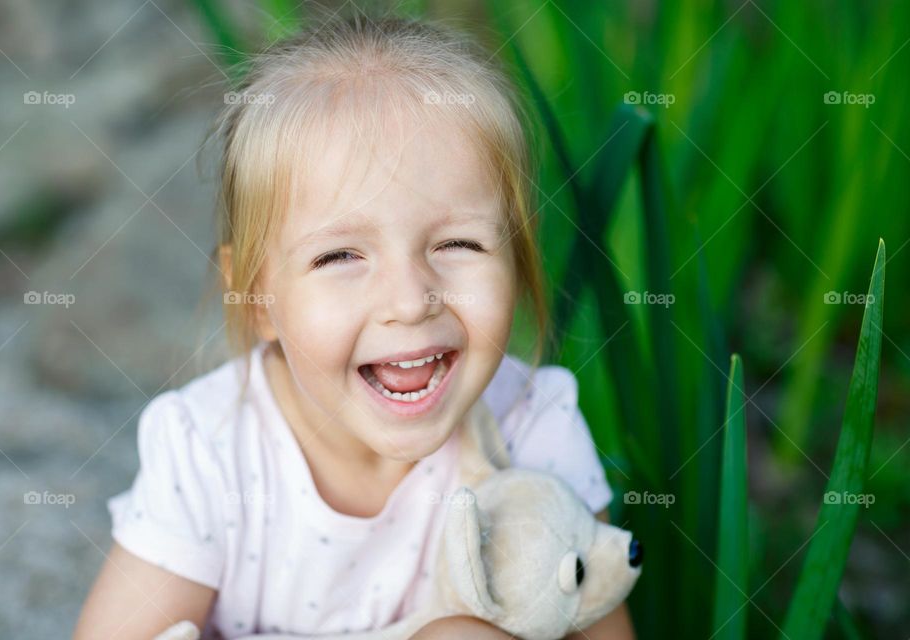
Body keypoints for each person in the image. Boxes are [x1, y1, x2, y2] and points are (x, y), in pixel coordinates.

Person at [74, 12, 635, 640]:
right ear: (259, 297)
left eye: (458, 243)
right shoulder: (210, 449)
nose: (410, 300)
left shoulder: (533, 424)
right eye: (340, 256)